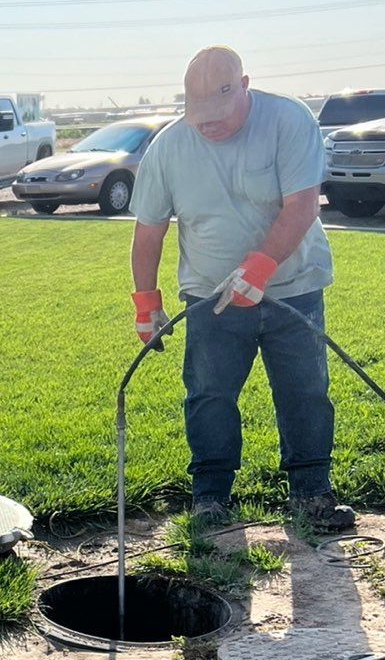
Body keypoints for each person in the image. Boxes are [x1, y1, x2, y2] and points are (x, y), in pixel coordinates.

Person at [129, 45, 353, 532]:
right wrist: (146, 302)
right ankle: (210, 496)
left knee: (305, 391)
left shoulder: (287, 121)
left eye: (218, 113)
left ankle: (312, 493)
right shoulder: (169, 147)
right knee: (209, 393)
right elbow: (149, 230)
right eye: (198, 114)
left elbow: (301, 205)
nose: (207, 125)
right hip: (211, 298)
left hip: (294, 289)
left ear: (245, 87)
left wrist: (259, 268)